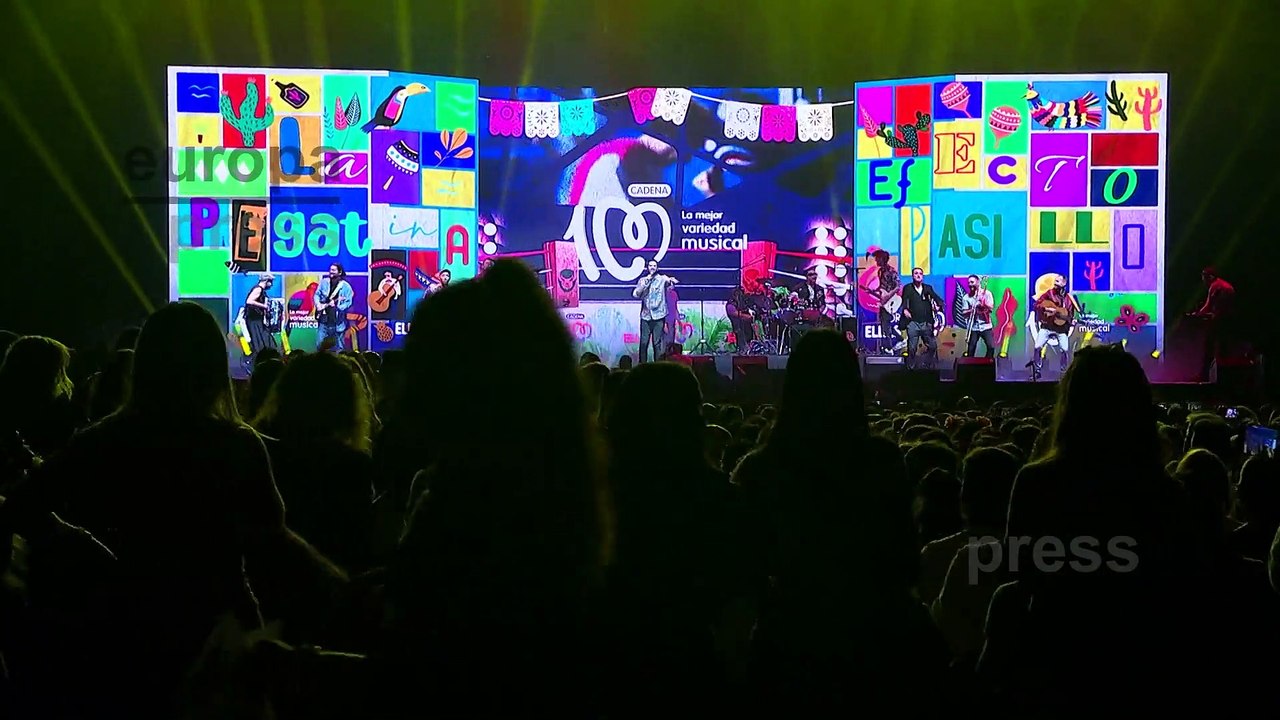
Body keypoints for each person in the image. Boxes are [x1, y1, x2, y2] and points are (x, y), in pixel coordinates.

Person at [1187, 266, 1235, 380]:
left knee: (1209, 347)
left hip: (1220, 321)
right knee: (1224, 349)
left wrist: (1196, 315)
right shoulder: (1225, 285)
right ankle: (1225, 377)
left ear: (1210, 276)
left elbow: (1208, 306)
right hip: (1228, 320)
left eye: (1204, 277)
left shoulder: (1216, 286)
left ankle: (1204, 376)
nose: (1203, 280)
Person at [632, 259, 678, 363]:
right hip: (646, 316)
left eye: (654, 265)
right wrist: (644, 284)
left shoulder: (662, 279)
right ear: (647, 267)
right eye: (650, 265)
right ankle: (642, 365)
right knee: (644, 343)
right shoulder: (643, 280)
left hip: (659, 316)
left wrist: (671, 280)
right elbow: (635, 294)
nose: (652, 267)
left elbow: (670, 283)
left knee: (657, 343)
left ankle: (657, 365)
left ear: (657, 268)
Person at [1031, 274, 1076, 376]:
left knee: (1064, 350)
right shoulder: (1049, 293)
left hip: (1061, 329)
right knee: (1037, 347)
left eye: (1057, 282)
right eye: (1055, 281)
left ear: (1064, 284)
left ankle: (1064, 372)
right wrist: (1045, 309)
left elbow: (1070, 314)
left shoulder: (1068, 299)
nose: (1054, 284)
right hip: (1047, 326)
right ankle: (1037, 370)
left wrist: (1070, 321)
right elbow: (1037, 304)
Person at [901, 267, 943, 369]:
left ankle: (925, 363)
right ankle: (910, 368)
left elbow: (938, 299)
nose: (918, 275)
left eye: (920, 273)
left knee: (932, 346)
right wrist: (905, 310)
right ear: (912, 276)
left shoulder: (927, 288)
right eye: (916, 273)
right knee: (911, 348)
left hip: (926, 323)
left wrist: (938, 305)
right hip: (913, 323)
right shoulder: (908, 288)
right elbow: (904, 301)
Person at [864, 248, 902, 354]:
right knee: (884, 324)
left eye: (877, 258)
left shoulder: (891, 271)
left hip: (891, 301)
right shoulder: (880, 271)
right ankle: (892, 344)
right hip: (883, 302)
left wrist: (888, 296)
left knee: (886, 323)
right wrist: (872, 291)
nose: (876, 261)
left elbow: (898, 285)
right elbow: (881, 287)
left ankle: (892, 346)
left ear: (882, 259)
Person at [314, 263, 354, 351]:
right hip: (324, 320)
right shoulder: (324, 282)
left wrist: (337, 306)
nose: (331, 272)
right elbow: (317, 294)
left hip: (338, 323)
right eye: (330, 270)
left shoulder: (345, 287)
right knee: (319, 345)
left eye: (333, 270)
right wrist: (318, 305)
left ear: (339, 272)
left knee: (339, 348)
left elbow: (348, 302)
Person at [727, 278, 769, 353]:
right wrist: (746, 316)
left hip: (748, 325)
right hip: (739, 326)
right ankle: (744, 350)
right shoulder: (731, 303)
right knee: (742, 332)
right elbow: (733, 312)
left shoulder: (745, 301)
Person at [957, 274, 995, 358]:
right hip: (973, 327)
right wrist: (973, 309)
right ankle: (970, 368)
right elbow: (964, 313)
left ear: (978, 282)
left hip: (986, 326)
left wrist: (983, 304)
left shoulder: (987, 294)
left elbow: (991, 309)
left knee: (991, 347)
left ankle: (986, 365)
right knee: (970, 349)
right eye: (969, 283)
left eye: (972, 282)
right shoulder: (966, 298)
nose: (970, 284)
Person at [240, 273, 278, 357]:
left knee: (266, 340)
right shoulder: (258, 289)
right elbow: (249, 301)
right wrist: (264, 306)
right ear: (266, 281)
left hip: (257, 320)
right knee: (259, 342)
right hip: (254, 320)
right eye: (271, 282)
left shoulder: (261, 290)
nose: (271, 285)